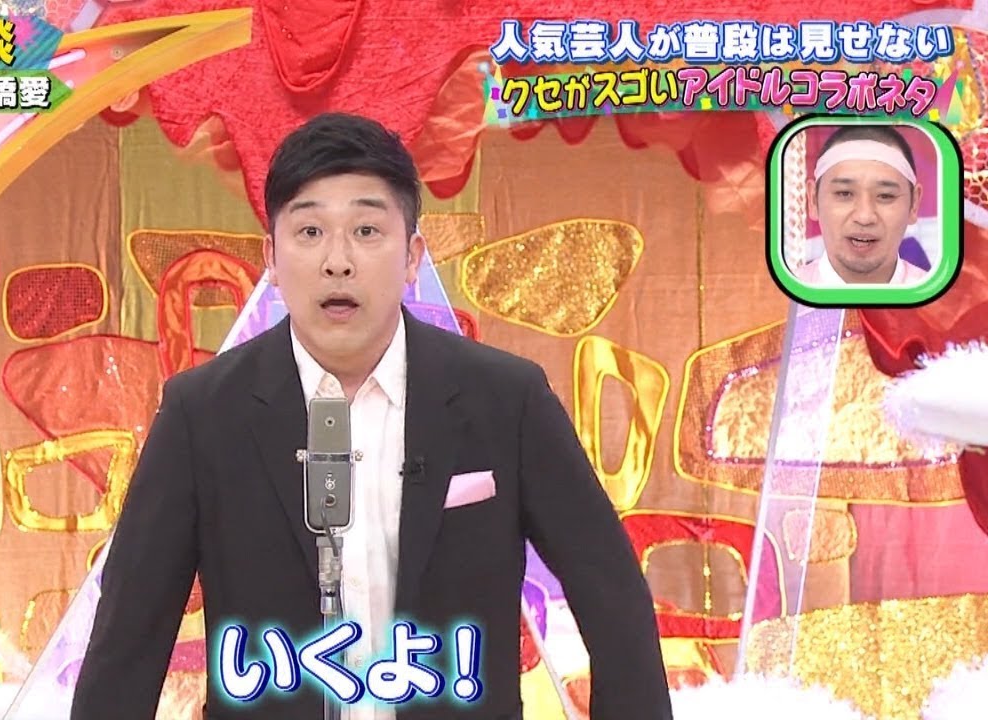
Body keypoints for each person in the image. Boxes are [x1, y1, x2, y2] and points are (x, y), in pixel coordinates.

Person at [71, 113, 672, 720]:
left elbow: (611, 592)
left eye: (366, 230)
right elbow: (130, 632)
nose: (338, 261)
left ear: (412, 256)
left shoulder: (506, 399)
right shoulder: (202, 413)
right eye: (310, 231)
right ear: (271, 257)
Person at [794, 125, 930, 286]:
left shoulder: (942, 298)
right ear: (813, 200)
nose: (864, 217)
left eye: (885, 195)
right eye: (844, 193)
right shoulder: (777, 296)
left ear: (914, 204)